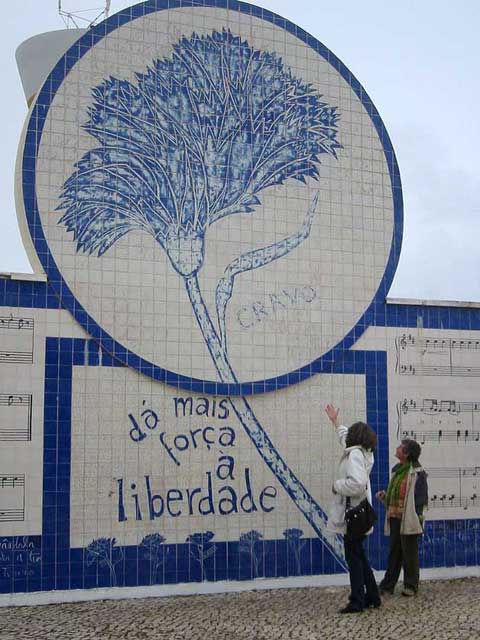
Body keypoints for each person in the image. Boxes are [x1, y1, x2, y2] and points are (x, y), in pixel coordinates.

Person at [325, 403, 381, 613]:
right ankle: (373, 595)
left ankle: (357, 600)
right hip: (361, 514)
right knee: (359, 555)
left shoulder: (355, 455)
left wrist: (336, 485)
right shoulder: (364, 453)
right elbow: (344, 436)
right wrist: (336, 421)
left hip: (353, 514)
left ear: (354, 439)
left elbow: (357, 484)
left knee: (354, 558)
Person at [376, 439, 428, 597]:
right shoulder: (397, 470)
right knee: (394, 552)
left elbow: (421, 499)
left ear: (406, 454)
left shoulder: (417, 473)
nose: (397, 449)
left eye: (400, 447)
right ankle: (388, 585)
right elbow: (396, 494)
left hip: (409, 519)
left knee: (409, 553)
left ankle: (411, 585)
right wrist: (385, 497)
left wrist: (418, 520)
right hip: (394, 516)